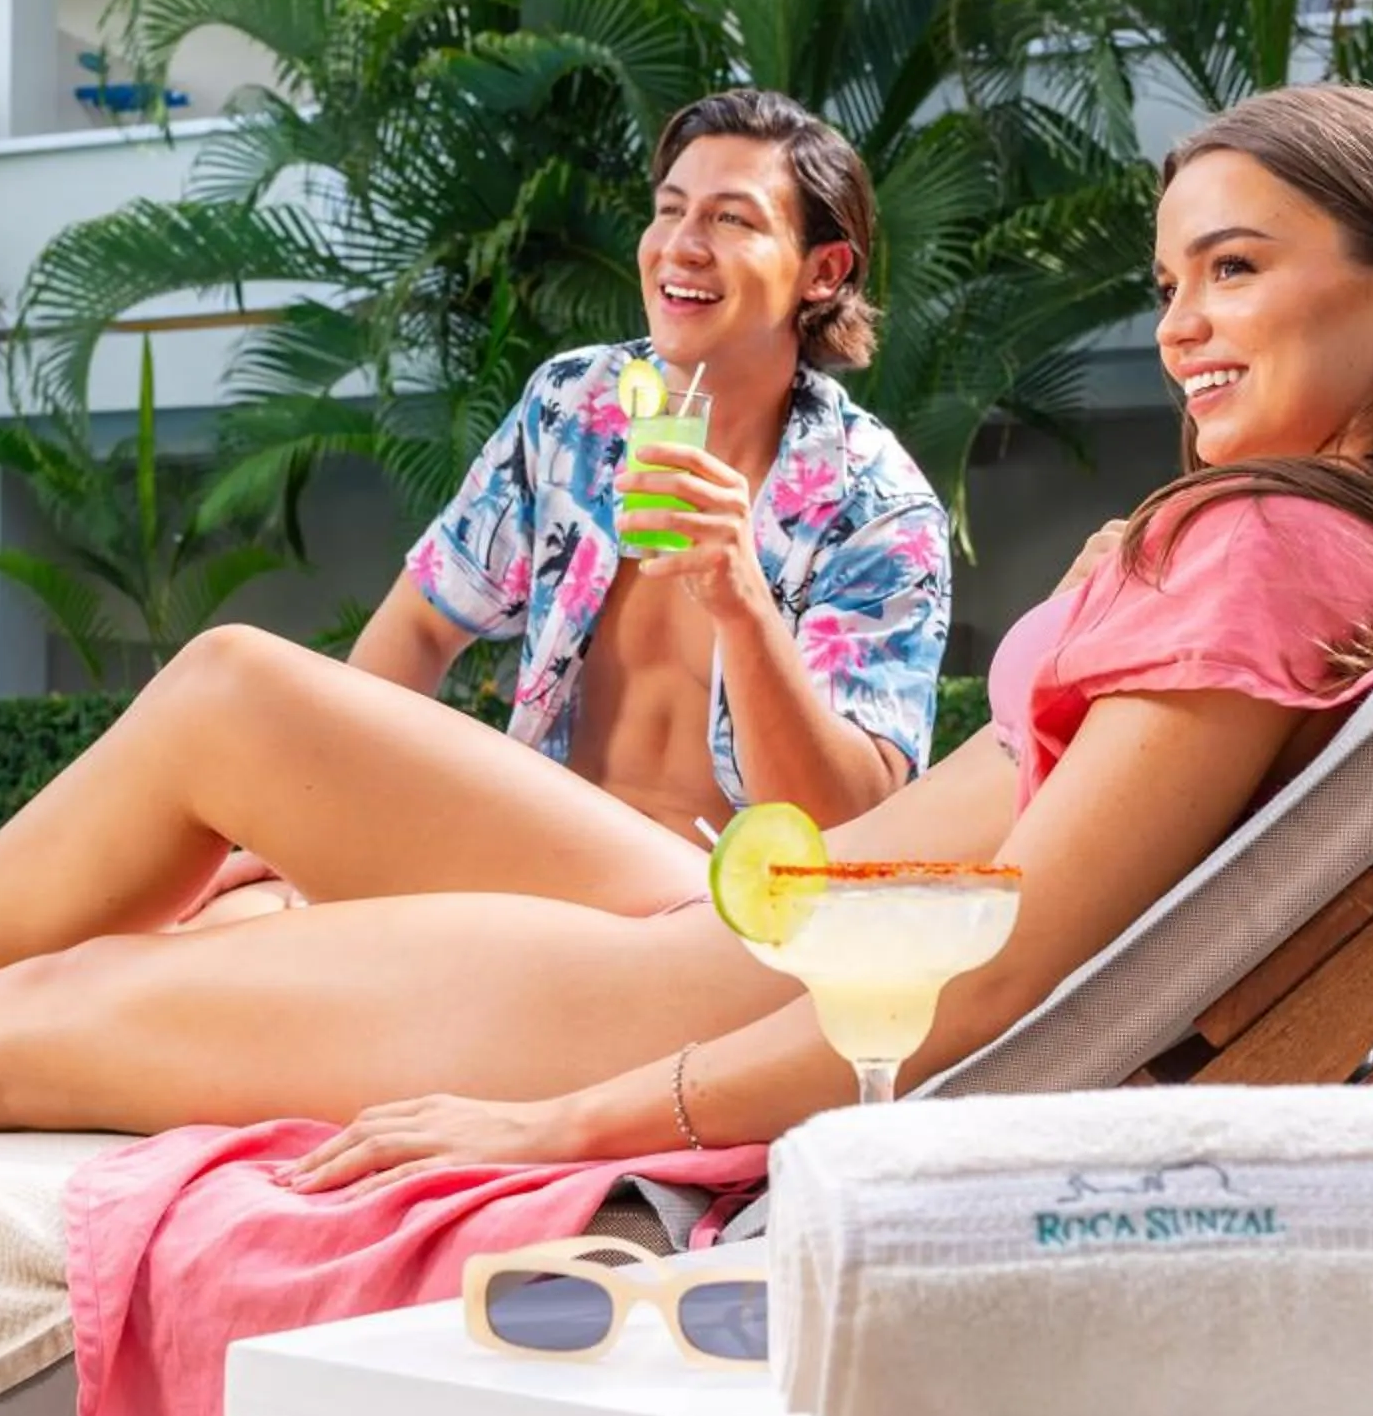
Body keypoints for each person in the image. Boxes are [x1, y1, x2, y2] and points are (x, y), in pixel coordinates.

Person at [0, 84, 1373, 1158]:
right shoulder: (1341, 551)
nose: (1179, 326)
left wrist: (587, 1120)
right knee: (231, 706)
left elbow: (992, 967)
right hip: (709, 924)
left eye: (1233, 270)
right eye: (1171, 282)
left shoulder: (1250, 554)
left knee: (57, 1020)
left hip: (669, 988)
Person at [187, 88, 949, 928]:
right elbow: (423, 622)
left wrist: (744, 605)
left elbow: (848, 822)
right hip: (526, 883)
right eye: (669, 211)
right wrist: (322, 816)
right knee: (220, 919)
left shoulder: (878, 505)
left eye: (732, 220)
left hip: (719, 922)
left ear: (823, 271)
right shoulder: (575, 410)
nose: (682, 247)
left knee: (228, 681)